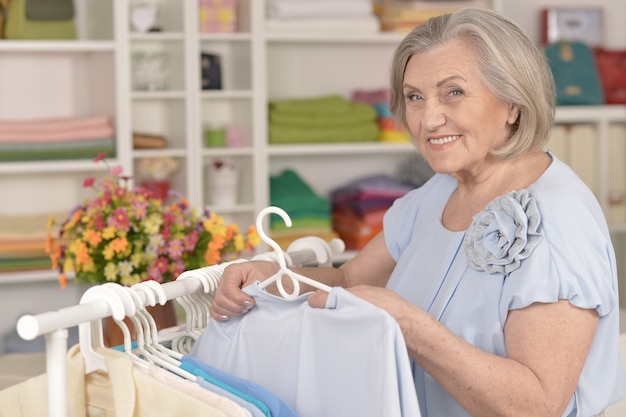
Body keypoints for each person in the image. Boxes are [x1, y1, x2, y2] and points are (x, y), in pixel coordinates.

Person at [208, 7, 625, 416]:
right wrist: (272, 277)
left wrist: (411, 327)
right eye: (414, 97)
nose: (429, 119)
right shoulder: (438, 191)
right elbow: (348, 278)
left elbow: (537, 406)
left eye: (454, 92)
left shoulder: (558, 220)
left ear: (513, 103)